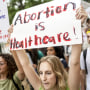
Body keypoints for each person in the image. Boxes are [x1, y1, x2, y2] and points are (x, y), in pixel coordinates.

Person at [8, 6, 87, 90]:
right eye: (41, 73)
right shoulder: (40, 87)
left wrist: (78, 25)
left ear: (58, 74)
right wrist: (15, 37)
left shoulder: (71, 87)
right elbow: (26, 64)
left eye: (48, 73)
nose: (43, 78)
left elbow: (74, 63)